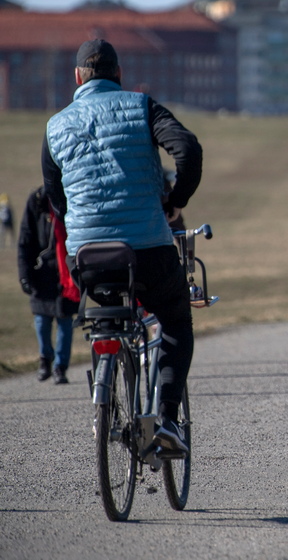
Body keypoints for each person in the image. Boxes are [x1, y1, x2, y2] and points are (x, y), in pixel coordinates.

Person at [42, 38, 202, 454]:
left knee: (105, 318)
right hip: (148, 249)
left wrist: (80, 220)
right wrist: (175, 201)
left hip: (88, 257)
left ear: (77, 77)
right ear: (119, 74)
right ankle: (167, 419)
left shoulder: (55, 126)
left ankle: (105, 401)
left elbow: (54, 197)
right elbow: (186, 148)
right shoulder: (141, 106)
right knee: (175, 321)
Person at [17, 187, 80, 384]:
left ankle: (60, 367)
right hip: (42, 272)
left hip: (67, 274)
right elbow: (25, 241)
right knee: (41, 321)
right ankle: (46, 358)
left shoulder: (72, 197)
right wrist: (25, 275)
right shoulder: (36, 201)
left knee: (65, 321)